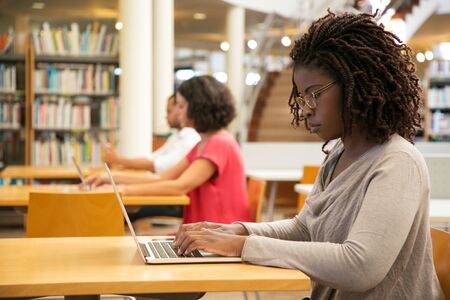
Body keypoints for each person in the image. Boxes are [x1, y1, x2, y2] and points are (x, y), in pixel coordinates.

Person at [173, 11, 445, 300]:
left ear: (358, 84)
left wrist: (243, 247)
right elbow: (304, 228)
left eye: (315, 93)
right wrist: (237, 231)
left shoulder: (397, 161)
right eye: (301, 98)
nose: (305, 109)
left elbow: (361, 266)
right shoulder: (338, 153)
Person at [86, 75, 252, 225]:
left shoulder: (219, 143)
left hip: (221, 233)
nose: (178, 113)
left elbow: (179, 186)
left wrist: (123, 189)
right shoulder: (204, 143)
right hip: (207, 231)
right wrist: (112, 179)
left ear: (198, 107)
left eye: (181, 106)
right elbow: (163, 177)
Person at [104, 94, 200, 173]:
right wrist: (121, 165)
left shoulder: (190, 138)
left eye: (169, 111)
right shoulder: (177, 136)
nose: (166, 117)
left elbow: (157, 166)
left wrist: (118, 160)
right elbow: (151, 159)